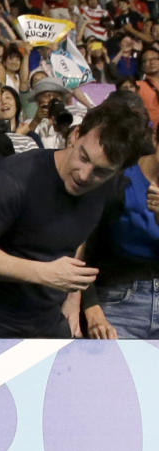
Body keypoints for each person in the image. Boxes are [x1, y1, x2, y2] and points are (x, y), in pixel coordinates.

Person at [0, 99, 147, 339]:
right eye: (83, 157)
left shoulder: (109, 188)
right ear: (75, 135)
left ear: (119, 171)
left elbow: (79, 233)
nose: (84, 176)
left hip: (48, 322)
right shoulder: (18, 177)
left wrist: (75, 299)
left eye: (101, 171)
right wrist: (44, 273)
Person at [83, 118, 159, 339]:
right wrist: (91, 307)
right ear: (155, 139)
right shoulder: (117, 179)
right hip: (118, 300)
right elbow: (81, 246)